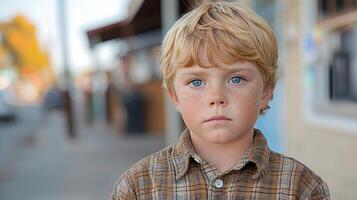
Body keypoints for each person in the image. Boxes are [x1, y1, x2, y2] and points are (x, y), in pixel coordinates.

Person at [110, 1, 330, 199]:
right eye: (196, 82)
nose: (216, 97)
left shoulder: (301, 188)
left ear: (266, 92)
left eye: (236, 79)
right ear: (175, 97)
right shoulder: (138, 187)